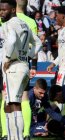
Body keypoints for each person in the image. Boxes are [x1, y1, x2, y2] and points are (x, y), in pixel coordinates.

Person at [0, 0, 42, 140]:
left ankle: (16, 137)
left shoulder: (8, 24)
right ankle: (14, 136)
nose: (1, 12)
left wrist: (7, 59)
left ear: (12, 10)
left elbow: (11, 41)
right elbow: (38, 43)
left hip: (13, 67)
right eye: (0, 10)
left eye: (4, 10)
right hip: (23, 65)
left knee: (13, 103)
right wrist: (28, 57)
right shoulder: (24, 24)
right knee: (12, 102)